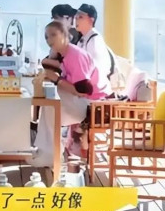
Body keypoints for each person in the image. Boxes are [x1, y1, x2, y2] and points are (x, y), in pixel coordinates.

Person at [30, 20, 113, 167]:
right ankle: (48, 153)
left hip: (94, 106)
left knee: (50, 108)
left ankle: (51, 155)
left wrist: (56, 79)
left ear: (64, 34)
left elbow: (82, 90)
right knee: (49, 107)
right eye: (46, 37)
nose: (49, 40)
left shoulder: (75, 55)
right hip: (85, 102)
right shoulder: (65, 54)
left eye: (53, 35)